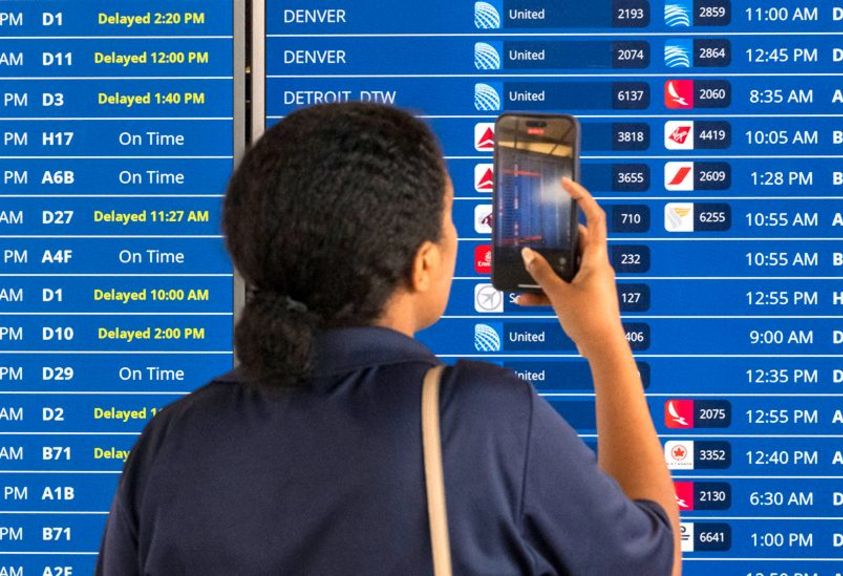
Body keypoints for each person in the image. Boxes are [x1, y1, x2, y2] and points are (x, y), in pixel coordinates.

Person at [96, 103, 681, 575]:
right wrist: (604, 340)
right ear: (422, 264)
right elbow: (653, 560)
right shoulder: (480, 420)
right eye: (450, 220)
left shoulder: (173, 439)